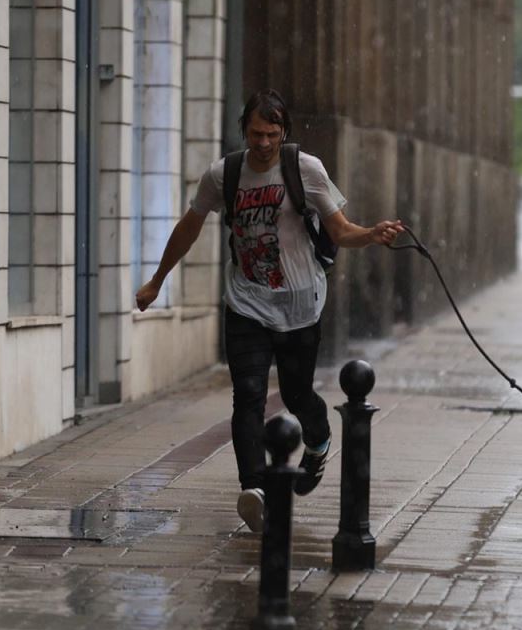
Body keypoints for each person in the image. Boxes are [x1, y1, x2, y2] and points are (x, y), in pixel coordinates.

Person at [135, 89, 405, 533]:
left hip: (300, 304)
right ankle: (255, 489)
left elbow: (339, 230)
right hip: (247, 302)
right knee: (249, 395)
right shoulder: (225, 175)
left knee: (298, 395)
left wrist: (372, 233)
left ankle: (318, 440)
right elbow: (188, 228)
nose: (263, 143)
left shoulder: (306, 169)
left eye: (272, 134)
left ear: (284, 133)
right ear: (244, 130)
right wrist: (157, 280)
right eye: (256, 133)